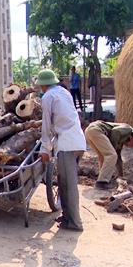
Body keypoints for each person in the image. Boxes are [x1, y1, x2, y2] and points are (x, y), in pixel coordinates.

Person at [37, 69, 86, 232]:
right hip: (77, 141)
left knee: (68, 185)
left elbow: (46, 126)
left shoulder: (48, 97)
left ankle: (75, 222)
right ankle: (67, 218)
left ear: (44, 85)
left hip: (67, 144)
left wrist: (45, 149)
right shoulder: (64, 92)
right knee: (65, 183)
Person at [84, 121, 133, 190]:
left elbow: (118, 159)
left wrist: (121, 175)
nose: (132, 147)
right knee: (111, 155)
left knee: (103, 156)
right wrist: (113, 148)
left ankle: (101, 178)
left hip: (89, 131)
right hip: (97, 130)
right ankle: (102, 182)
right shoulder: (128, 129)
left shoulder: (120, 141)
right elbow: (115, 131)